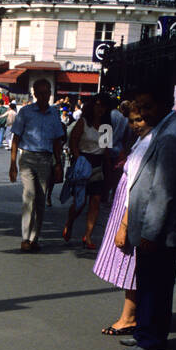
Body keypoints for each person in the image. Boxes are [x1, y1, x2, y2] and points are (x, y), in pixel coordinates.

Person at [119, 79, 176, 350]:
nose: (144, 111)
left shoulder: (171, 135)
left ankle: (151, 338)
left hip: (161, 228)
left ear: (165, 104)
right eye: (140, 106)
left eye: (148, 106)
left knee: (156, 285)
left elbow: (163, 190)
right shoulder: (169, 128)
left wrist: (150, 232)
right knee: (150, 282)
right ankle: (144, 330)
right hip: (157, 226)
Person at [94, 106, 150, 334]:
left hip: (112, 173)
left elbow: (105, 146)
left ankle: (130, 315)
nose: (134, 124)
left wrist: (124, 225)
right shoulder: (128, 130)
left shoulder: (109, 122)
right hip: (112, 168)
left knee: (130, 262)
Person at [8, 78, 66, 253]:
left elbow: (57, 140)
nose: (43, 96)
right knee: (29, 196)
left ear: (50, 94)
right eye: (40, 93)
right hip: (27, 158)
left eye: (46, 93)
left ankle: (34, 238)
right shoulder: (25, 112)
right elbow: (16, 138)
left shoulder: (54, 113)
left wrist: (58, 164)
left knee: (40, 200)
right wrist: (12, 164)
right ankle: (25, 237)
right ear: (34, 93)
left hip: (46, 160)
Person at [63, 93, 114, 249]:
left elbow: (106, 150)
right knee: (80, 201)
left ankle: (88, 236)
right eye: (97, 105)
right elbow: (73, 143)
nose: (100, 109)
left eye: (103, 106)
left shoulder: (107, 128)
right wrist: (79, 159)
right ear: (92, 106)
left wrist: (109, 168)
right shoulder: (83, 122)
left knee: (95, 201)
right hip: (83, 163)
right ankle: (70, 223)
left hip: (98, 166)